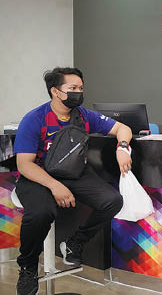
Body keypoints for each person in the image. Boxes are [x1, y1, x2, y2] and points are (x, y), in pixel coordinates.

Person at [13, 67, 133, 295]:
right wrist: (54, 185)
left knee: (112, 200)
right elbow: (24, 164)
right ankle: (27, 266)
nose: (79, 92)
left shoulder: (84, 115)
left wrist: (123, 147)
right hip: (38, 175)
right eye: (73, 88)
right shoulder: (34, 119)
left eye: (81, 88)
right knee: (41, 213)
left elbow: (122, 128)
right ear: (55, 91)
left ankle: (74, 242)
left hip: (75, 172)